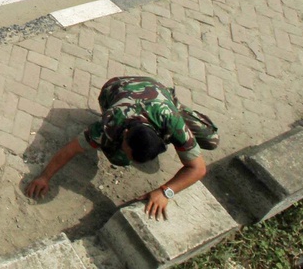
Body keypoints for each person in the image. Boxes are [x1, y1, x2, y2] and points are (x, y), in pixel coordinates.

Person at [24, 76, 220, 220]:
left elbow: (198, 168)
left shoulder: (170, 119)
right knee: (118, 158)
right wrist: (44, 176)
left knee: (211, 139)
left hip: (158, 94)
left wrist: (165, 192)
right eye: (129, 151)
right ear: (125, 135)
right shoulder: (110, 124)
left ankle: (174, 104)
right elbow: (71, 149)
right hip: (116, 88)